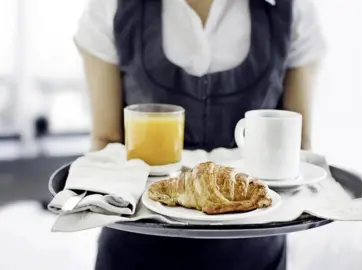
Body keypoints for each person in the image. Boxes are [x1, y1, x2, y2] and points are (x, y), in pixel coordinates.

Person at [76, 0, 325, 269]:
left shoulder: (291, 8)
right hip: (136, 247)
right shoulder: (111, 6)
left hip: (254, 250)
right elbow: (106, 141)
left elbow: (297, 147)